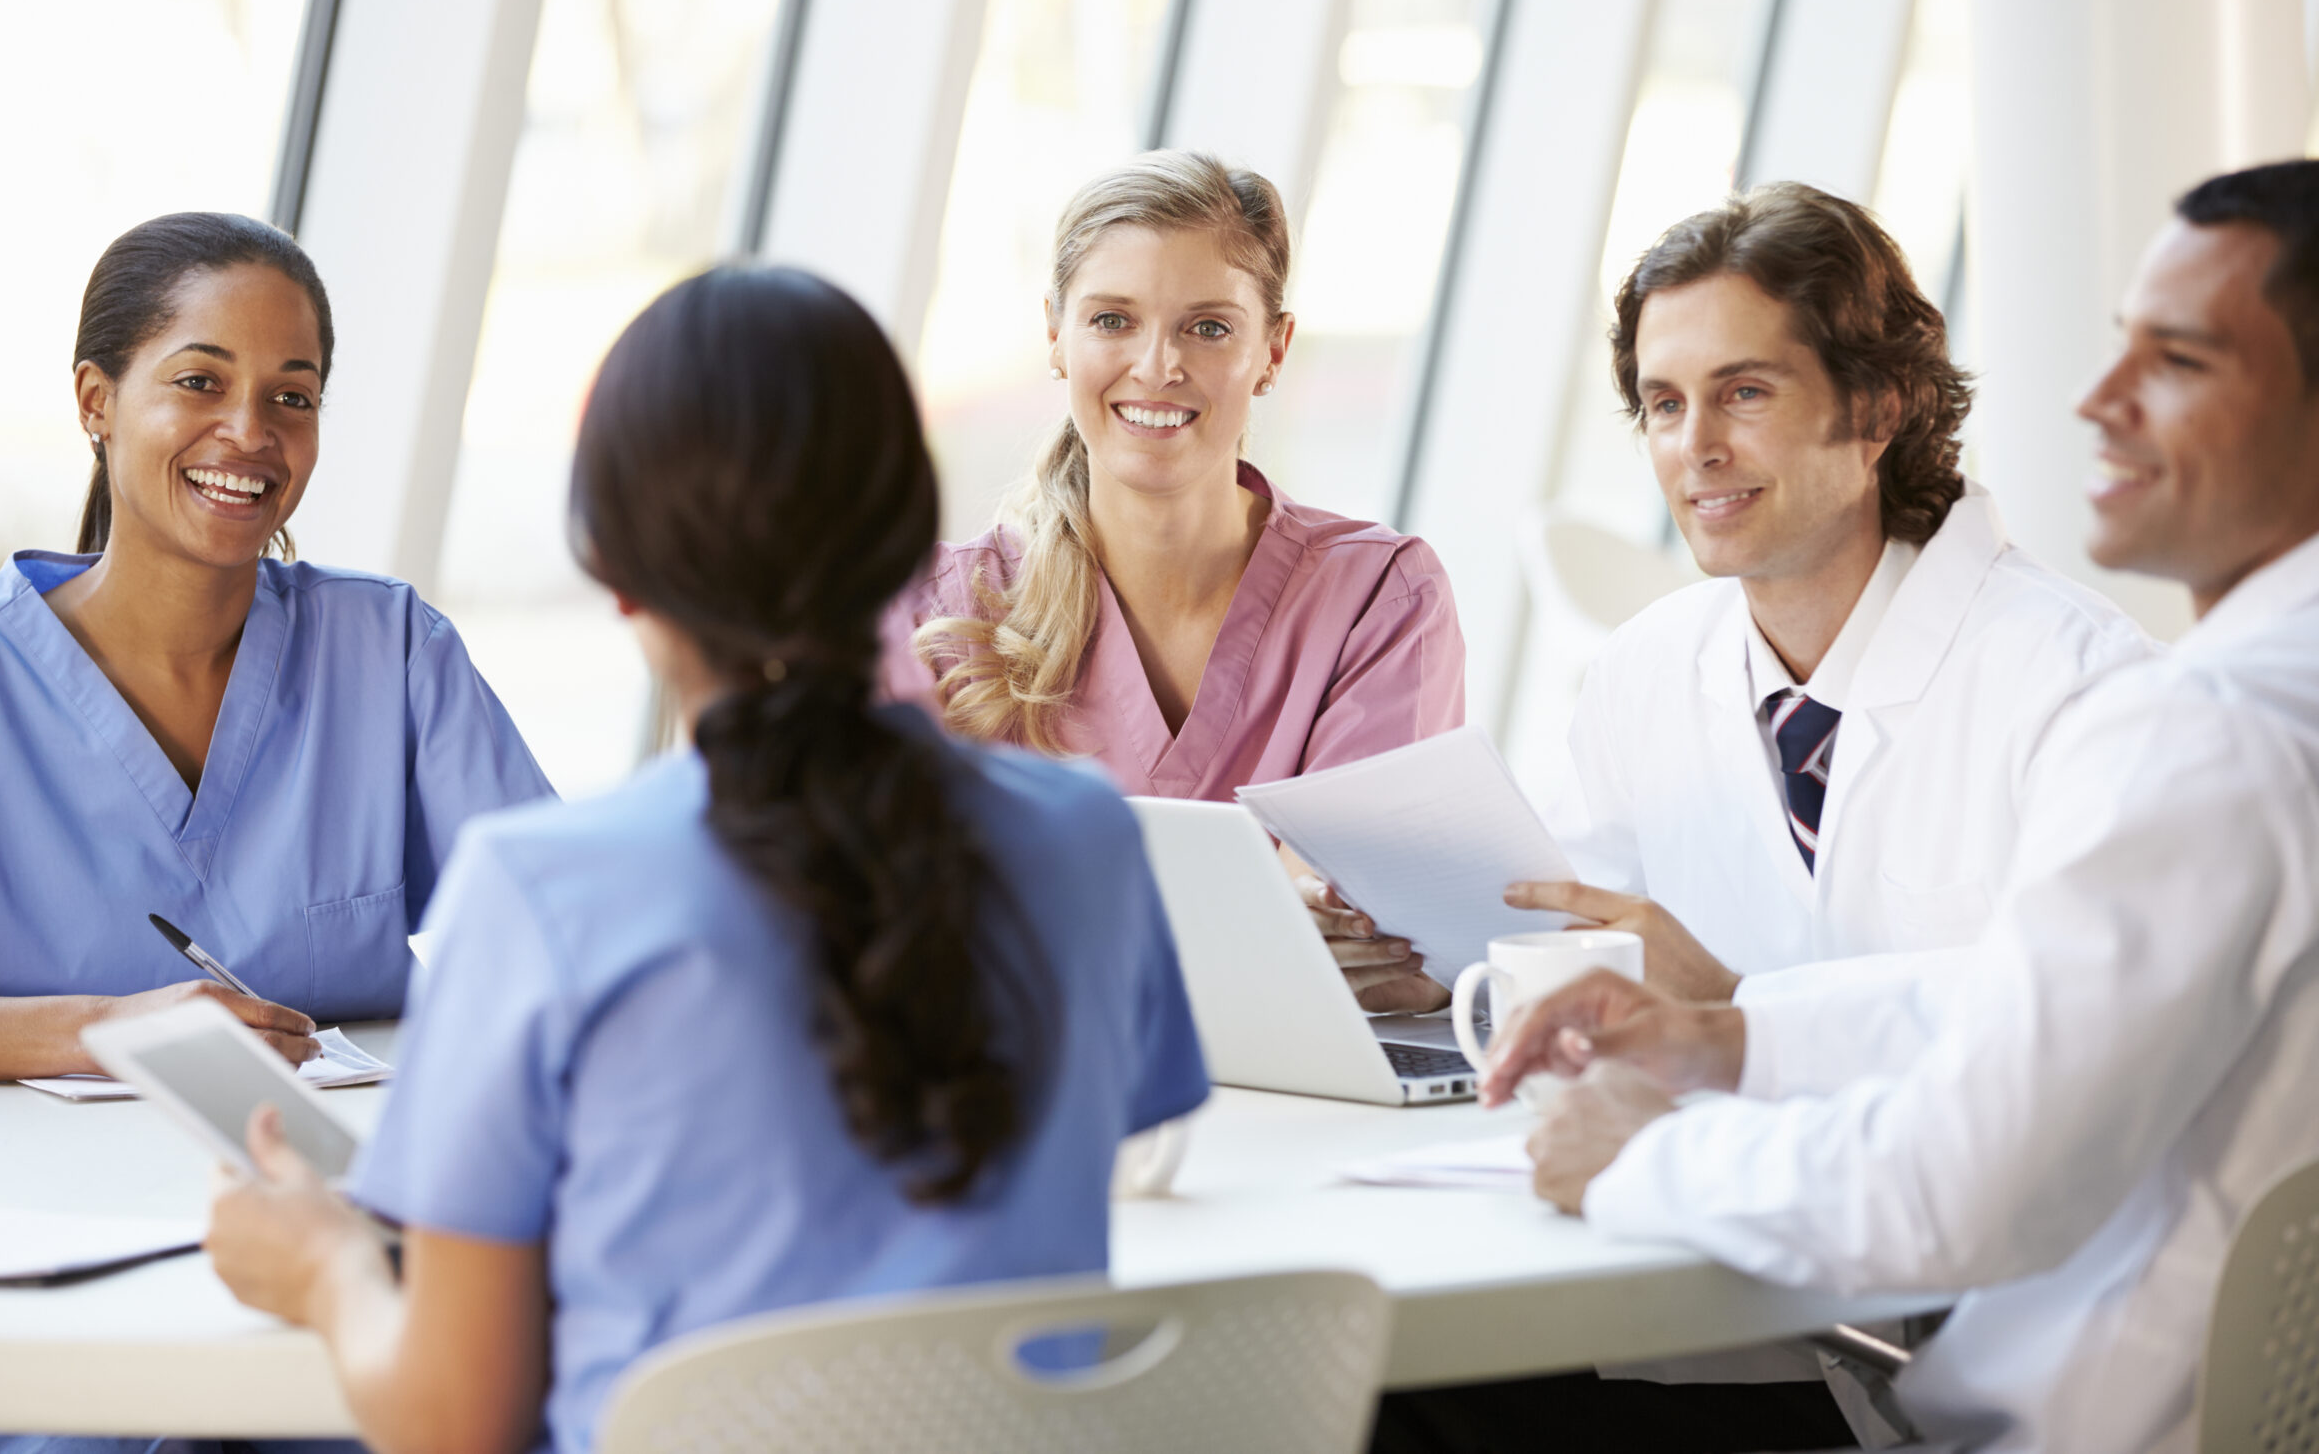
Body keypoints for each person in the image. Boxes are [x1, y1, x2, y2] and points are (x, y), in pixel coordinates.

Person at [202, 265, 1210, 1454]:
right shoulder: (1084, 838)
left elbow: (452, 1421)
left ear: (618, 575)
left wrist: (323, 1265)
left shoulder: (543, 895)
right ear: (899, 539)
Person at [1479, 160, 2319, 1454]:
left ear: (1876, 413)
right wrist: (1733, 1030)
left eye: (2183, 360)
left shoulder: (2196, 728)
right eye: (1661, 400)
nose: (2098, 402)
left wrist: (1642, 1158)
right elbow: (2024, 1002)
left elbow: (1959, 1184)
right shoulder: (2268, 698)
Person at [0, 213, 552, 1454]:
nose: (251, 433)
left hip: (316, 1259)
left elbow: (556, 927)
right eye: (199, 381)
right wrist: (98, 1030)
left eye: (293, 395)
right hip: (27, 1298)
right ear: (96, 398)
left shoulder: (392, 657)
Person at [1323, 183, 2152, 1017]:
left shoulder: (2082, 686)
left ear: (1877, 409)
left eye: (1744, 392)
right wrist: (1430, 976)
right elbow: (1579, 935)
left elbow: (2096, 1027)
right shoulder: (1644, 670)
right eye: (1665, 405)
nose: (1696, 448)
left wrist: (1740, 1008)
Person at [887, 151, 1465, 855]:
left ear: (1273, 351)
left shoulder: (1379, 601)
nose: (1158, 366)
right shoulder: (942, 614)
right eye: (1111, 320)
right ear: (1055, 334)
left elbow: (1368, 923)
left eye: (1209, 327)